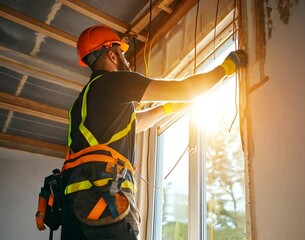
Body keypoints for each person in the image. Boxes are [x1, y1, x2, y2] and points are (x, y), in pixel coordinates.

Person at [61, 25, 247, 240]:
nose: (127, 60)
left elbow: (133, 124)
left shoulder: (82, 103)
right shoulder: (114, 82)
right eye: (122, 54)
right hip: (105, 206)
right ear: (111, 55)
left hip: (74, 209)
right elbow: (187, 89)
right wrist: (227, 66)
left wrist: (166, 109)